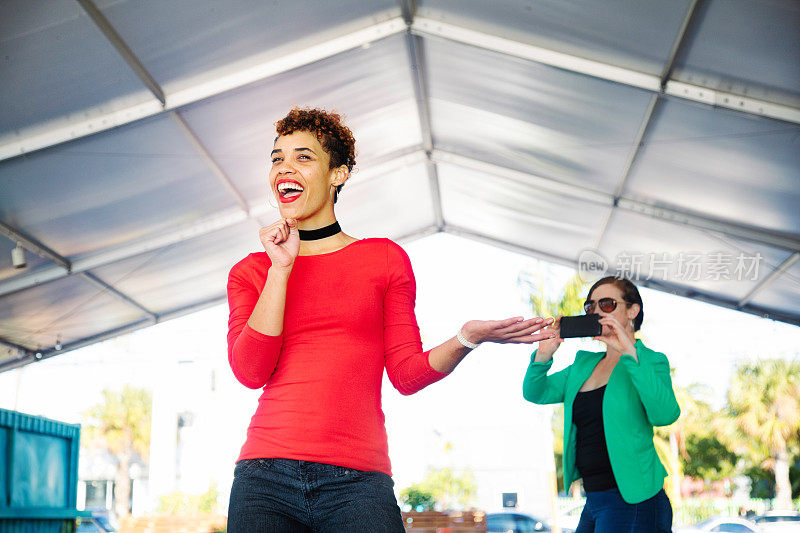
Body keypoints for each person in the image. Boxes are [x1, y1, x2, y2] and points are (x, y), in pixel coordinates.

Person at [226, 107, 555, 532]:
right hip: (264, 477)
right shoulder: (253, 271)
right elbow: (250, 371)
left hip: (357, 481)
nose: (284, 167)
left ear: (337, 174)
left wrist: (466, 338)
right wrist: (281, 269)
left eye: (303, 157)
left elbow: (406, 374)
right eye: (277, 158)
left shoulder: (383, 259)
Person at [522, 276, 680, 533]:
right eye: (590, 306)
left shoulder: (650, 361)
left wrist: (629, 352)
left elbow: (665, 414)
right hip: (594, 499)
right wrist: (544, 353)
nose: (596, 311)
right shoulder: (583, 365)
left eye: (607, 304)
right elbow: (535, 392)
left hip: (635, 499)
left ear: (632, 310)